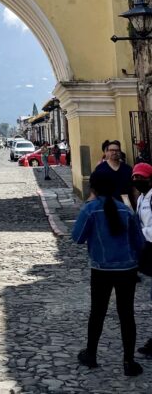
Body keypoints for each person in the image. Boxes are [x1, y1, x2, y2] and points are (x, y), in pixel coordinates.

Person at [72, 170, 144, 376]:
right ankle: (129, 361)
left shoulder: (90, 210)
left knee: (98, 312)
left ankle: (91, 354)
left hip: (101, 269)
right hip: (127, 269)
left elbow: (77, 237)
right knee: (127, 314)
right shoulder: (126, 211)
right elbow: (138, 243)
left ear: (92, 187)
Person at [132, 162, 152, 358]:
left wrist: (139, 234)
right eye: (135, 177)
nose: (138, 180)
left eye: (142, 177)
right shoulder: (141, 198)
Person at [94, 140, 134, 208]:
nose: (115, 152)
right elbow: (95, 189)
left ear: (120, 152)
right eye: (112, 150)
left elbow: (134, 189)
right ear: (107, 152)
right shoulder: (100, 169)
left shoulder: (128, 169)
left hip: (126, 205)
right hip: (107, 205)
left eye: (117, 150)